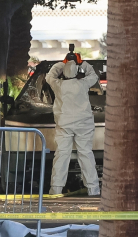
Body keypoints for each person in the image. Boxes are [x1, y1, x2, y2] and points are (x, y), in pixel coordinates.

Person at [45, 52, 100, 196]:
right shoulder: (83, 83)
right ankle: (93, 190)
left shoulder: (58, 84)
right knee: (86, 154)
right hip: (84, 124)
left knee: (62, 155)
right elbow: (93, 75)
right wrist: (81, 63)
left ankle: (55, 189)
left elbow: (50, 76)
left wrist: (63, 63)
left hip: (64, 124)